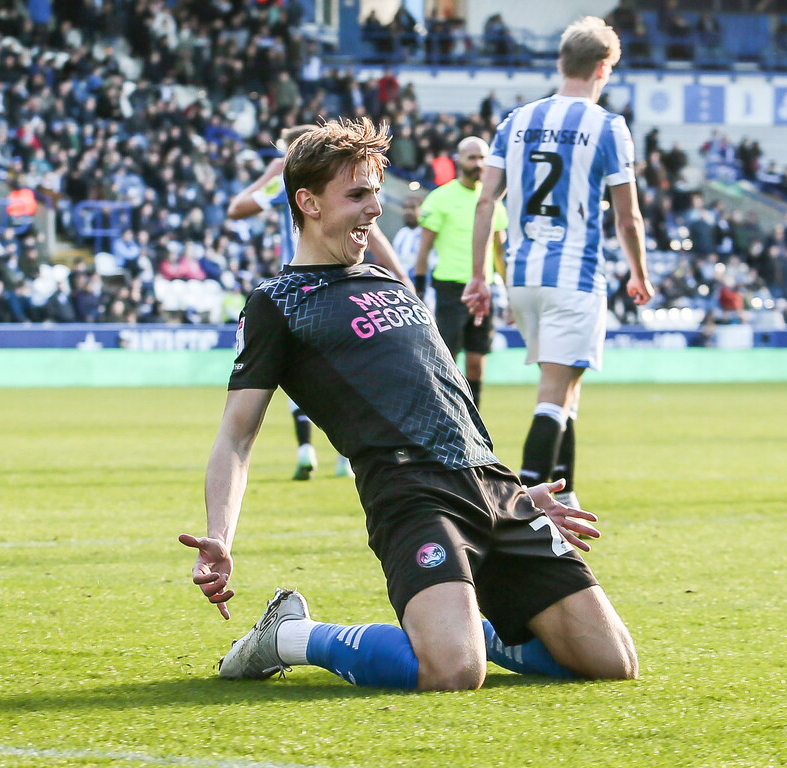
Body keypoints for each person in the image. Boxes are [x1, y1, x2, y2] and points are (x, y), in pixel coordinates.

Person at [179, 117, 638, 692]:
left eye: (376, 192)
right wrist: (221, 533)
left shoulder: (392, 284)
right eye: (358, 195)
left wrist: (515, 488)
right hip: (411, 494)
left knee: (611, 662)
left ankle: (473, 626)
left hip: (495, 487)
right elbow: (236, 435)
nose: (376, 208)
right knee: (452, 672)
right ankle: (290, 635)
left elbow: (448, 400)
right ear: (308, 203)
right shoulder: (279, 304)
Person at [464, 16, 653, 508]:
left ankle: (567, 497)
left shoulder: (516, 121)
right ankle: (517, 509)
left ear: (560, 63)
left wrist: (480, 276)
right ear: (604, 68)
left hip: (524, 279)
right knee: (554, 392)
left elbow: (486, 204)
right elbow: (628, 218)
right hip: (574, 276)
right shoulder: (608, 127)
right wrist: (639, 271)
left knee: (567, 387)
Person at [227, 124, 412, 481]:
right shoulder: (338, 186)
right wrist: (401, 277)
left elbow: (237, 208)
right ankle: (347, 453)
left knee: (299, 367)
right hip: (346, 281)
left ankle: (306, 449)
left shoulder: (288, 182)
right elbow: (372, 232)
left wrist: (271, 172)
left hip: (300, 283)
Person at [414, 136, 507, 407]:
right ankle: (446, 413)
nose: (478, 163)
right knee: (448, 359)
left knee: (477, 360)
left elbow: (500, 251)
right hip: (450, 288)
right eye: (472, 157)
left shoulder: (493, 201)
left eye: (482, 158)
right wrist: (419, 288)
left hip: (483, 290)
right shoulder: (440, 198)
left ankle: (474, 417)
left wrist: (508, 287)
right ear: (459, 160)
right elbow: (424, 250)